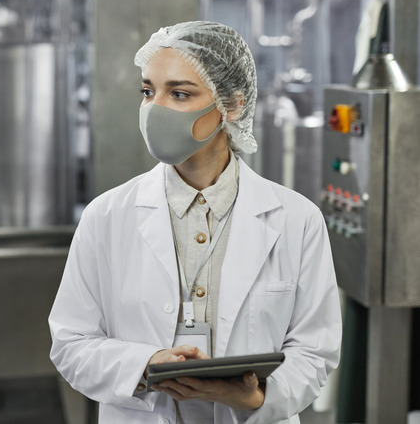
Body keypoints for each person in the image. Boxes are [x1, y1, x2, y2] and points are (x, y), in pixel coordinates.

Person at [48, 21, 341, 423]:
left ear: (232, 104)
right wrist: (145, 364)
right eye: (148, 92)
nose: (155, 109)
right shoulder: (107, 215)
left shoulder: (296, 219)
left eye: (180, 93)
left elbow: (315, 351)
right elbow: (71, 343)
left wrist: (256, 397)